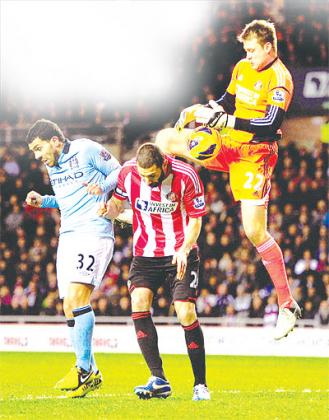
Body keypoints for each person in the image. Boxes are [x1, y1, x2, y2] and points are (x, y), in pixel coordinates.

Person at [155, 19, 301, 340]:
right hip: (227, 141)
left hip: (256, 154)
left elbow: (269, 123)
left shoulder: (280, 79)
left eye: (251, 50)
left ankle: (287, 305)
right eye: (244, 50)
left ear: (268, 47)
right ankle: (158, 207)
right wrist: (202, 111)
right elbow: (227, 102)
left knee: (254, 231)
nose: (247, 56)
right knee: (166, 139)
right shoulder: (242, 67)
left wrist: (227, 118)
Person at [98, 143, 210, 401]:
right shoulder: (128, 173)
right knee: (138, 302)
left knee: (185, 311)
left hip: (179, 253)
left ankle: (200, 385)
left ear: (163, 164)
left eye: (151, 175)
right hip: (145, 254)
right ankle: (158, 378)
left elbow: (196, 218)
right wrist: (106, 208)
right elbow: (117, 203)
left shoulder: (186, 175)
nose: (146, 180)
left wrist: (183, 249)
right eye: (142, 175)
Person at [25, 119, 121, 397]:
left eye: (38, 148)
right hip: (67, 236)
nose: (37, 156)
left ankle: (82, 370)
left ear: (55, 141)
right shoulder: (51, 165)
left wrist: (103, 186)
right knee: (69, 305)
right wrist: (44, 201)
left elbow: (121, 170)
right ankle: (92, 372)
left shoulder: (86, 149)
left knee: (79, 299)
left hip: (94, 232)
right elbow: (66, 200)